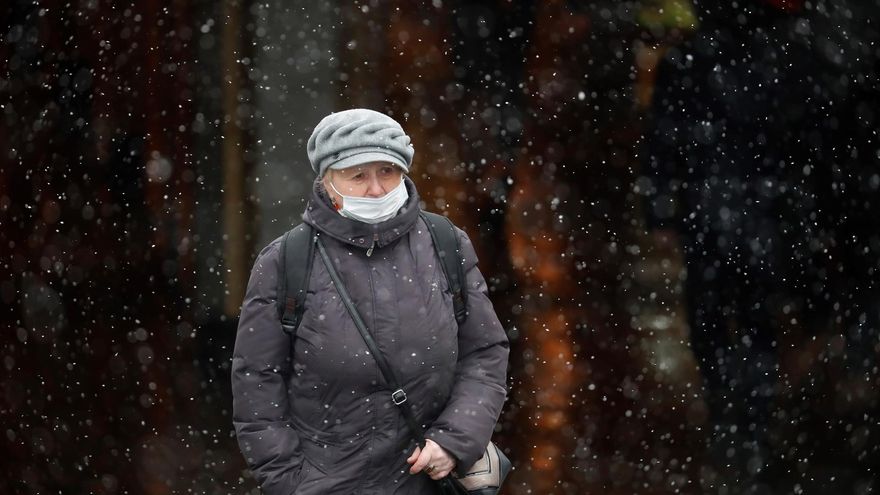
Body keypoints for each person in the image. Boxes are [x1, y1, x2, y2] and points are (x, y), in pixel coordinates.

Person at [231, 108, 510, 494]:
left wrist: (454, 441)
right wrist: (291, 484)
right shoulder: (285, 261)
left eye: (388, 171)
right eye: (358, 175)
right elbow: (257, 386)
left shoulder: (446, 244)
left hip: (428, 483)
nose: (376, 189)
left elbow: (484, 353)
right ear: (327, 181)